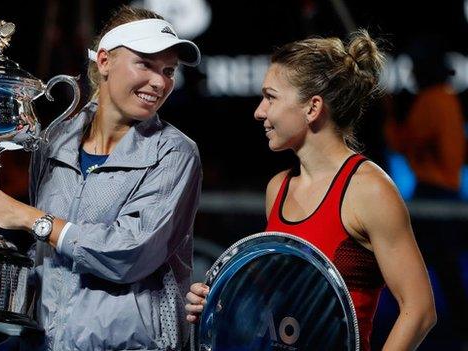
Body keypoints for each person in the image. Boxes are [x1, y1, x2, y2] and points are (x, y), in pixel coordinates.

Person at [0, 6, 202, 350]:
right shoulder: (55, 138)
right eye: (146, 65)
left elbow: (130, 253)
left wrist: (33, 220)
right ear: (104, 61)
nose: (159, 82)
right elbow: (45, 257)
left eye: (168, 70)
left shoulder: (175, 153)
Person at [185, 30, 436, 351]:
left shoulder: (369, 190)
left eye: (271, 97)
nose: (259, 111)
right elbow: (279, 304)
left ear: (312, 107)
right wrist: (219, 300)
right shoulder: (278, 188)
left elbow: (420, 311)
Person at [385, 36, 468, 346]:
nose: (412, 75)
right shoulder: (446, 98)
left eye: (417, 69)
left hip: (434, 195)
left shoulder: (433, 100)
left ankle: (407, 331)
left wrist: (391, 116)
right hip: (441, 193)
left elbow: (406, 143)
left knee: (401, 264)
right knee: (439, 269)